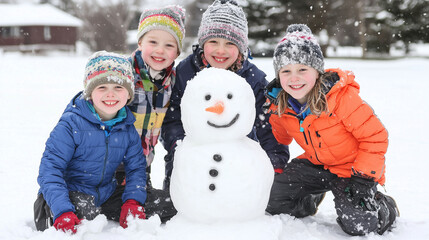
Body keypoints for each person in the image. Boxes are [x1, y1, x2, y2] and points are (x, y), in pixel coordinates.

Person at [265, 24, 399, 236]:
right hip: (316, 165)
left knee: (358, 224)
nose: (294, 78)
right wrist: (272, 113)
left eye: (302, 69)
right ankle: (309, 198)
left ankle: (384, 208)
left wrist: (364, 178)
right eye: (286, 71)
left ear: (317, 72)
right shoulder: (281, 106)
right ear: (278, 76)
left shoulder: (340, 98)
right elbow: (282, 138)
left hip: (353, 170)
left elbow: (376, 136)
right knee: (271, 200)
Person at [161, 0, 290, 190]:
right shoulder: (185, 73)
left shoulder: (253, 79)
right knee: (182, 200)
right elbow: (172, 118)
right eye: (213, 42)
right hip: (194, 155)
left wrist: (275, 165)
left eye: (230, 43)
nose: (220, 50)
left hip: (239, 158)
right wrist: (178, 147)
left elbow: (269, 126)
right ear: (203, 42)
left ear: (241, 47)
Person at [34, 51, 147, 233]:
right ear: (90, 92)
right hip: (64, 196)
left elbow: (136, 168)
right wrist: (62, 210)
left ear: (128, 94)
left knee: (163, 202)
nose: (110, 94)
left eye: (118, 88)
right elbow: (50, 170)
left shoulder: (127, 126)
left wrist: (133, 201)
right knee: (85, 210)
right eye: (102, 87)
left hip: (104, 193)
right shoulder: (71, 124)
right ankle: (56, 214)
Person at [115, 5, 186, 189]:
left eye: (169, 45)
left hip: (143, 163)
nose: (160, 50)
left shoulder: (171, 81)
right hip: (112, 164)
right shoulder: (124, 74)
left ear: (177, 52)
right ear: (140, 43)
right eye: (153, 42)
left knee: (145, 205)